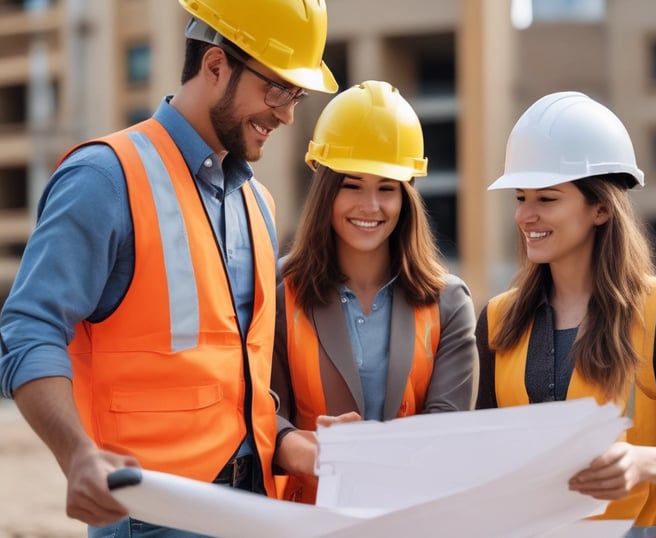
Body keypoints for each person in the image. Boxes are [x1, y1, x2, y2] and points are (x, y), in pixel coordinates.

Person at [0, 0, 338, 535]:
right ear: (215, 66)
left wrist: (290, 438)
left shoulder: (260, 206)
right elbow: (29, 328)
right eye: (277, 89)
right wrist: (77, 455)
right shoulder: (104, 179)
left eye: (296, 94)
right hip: (151, 514)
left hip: (255, 506)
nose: (287, 114)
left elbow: (230, 377)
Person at [475, 91, 656, 537]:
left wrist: (640, 462)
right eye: (521, 197)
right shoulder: (498, 320)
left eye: (547, 198)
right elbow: (481, 458)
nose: (525, 215)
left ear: (600, 208)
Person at [270, 80, 479, 504]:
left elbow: (447, 431)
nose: (370, 206)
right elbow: (259, 411)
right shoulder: (279, 292)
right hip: (306, 523)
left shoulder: (449, 302)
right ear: (326, 190)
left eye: (387, 188)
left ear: (406, 198)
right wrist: (302, 446)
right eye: (352, 185)